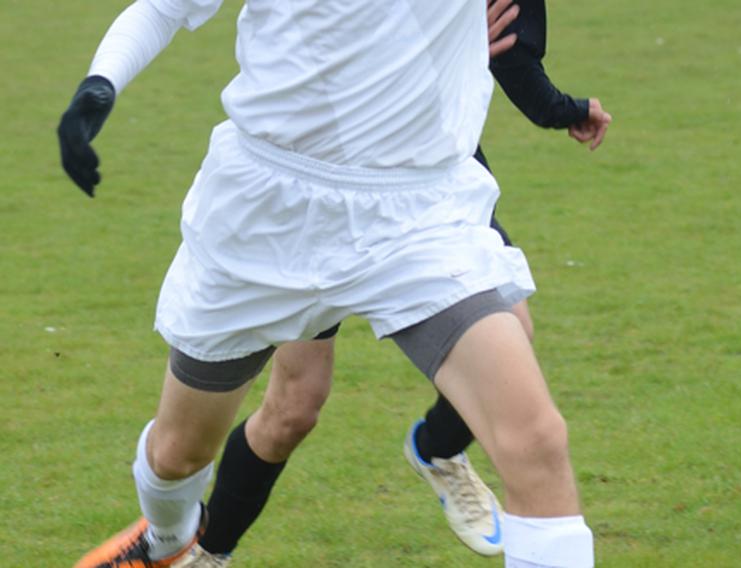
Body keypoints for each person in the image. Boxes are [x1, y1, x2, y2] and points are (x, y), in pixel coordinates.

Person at [58, 0, 604, 567]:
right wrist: (100, 84)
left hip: (414, 215)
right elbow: (161, 9)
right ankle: (170, 539)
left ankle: (436, 453)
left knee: (536, 442)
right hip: (269, 211)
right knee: (180, 452)